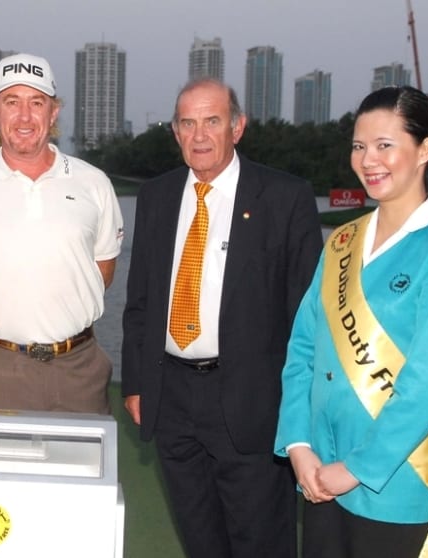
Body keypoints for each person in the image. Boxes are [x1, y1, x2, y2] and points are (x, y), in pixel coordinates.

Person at [275, 86, 428, 557]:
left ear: (425, 150)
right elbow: (303, 349)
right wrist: (297, 445)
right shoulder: (341, 241)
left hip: (391, 481)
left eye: (384, 145)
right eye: (359, 146)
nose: (368, 159)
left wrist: (354, 468)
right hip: (318, 470)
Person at [121, 78, 322, 557]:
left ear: (238, 127)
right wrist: (136, 383)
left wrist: (299, 407)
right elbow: (141, 301)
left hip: (251, 402)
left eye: (212, 121)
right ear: (175, 132)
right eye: (187, 123)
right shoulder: (157, 196)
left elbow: (307, 316)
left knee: (261, 542)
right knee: (200, 538)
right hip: (171, 399)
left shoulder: (284, 197)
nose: (200, 135)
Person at [0, 53, 124, 414]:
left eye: (37, 102)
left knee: (83, 470)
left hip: (81, 367)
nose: (24, 116)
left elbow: (103, 270)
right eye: (11, 102)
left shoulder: (93, 182)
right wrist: (2, 310)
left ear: (53, 113)